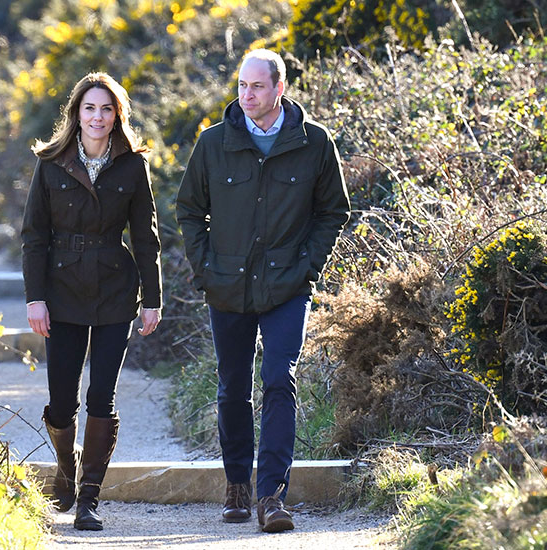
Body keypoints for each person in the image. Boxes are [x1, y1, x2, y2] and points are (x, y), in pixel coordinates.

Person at [176, 49, 350, 533]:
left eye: (256, 87)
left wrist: (306, 267)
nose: (246, 95)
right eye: (240, 86)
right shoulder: (213, 143)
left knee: (279, 379)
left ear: (279, 89)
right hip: (227, 285)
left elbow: (333, 211)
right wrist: (207, 268)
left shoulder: (315, 143)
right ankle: (236, 485)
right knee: (233, 385)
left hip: (287, 287)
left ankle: (271, 495)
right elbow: (189, 210)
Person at [21, 72, 162, 531]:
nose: (98, 117)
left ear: (117, 114)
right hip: (60, 293)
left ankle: (89, 498)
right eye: (89, 108)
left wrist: (152, 299)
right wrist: (35, 298)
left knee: (102, 395)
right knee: (62, 401)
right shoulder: (51, 163)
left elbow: (146, 238)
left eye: (106, 109)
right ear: (76, 114)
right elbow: (34, 236)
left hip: (114, 292)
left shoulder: (133, 166)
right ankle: (66, 471)